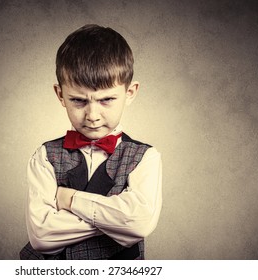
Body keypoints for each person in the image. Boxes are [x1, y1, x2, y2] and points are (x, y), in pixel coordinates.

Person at [20, 24, 162, 260]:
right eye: (78, 100)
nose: (92, 115)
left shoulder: (146, 157)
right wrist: (117, 220)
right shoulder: (44, 156)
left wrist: (70, 199)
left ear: (130, 93)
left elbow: (139, 223)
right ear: (60, 95)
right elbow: (41, 236)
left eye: (106, 100)